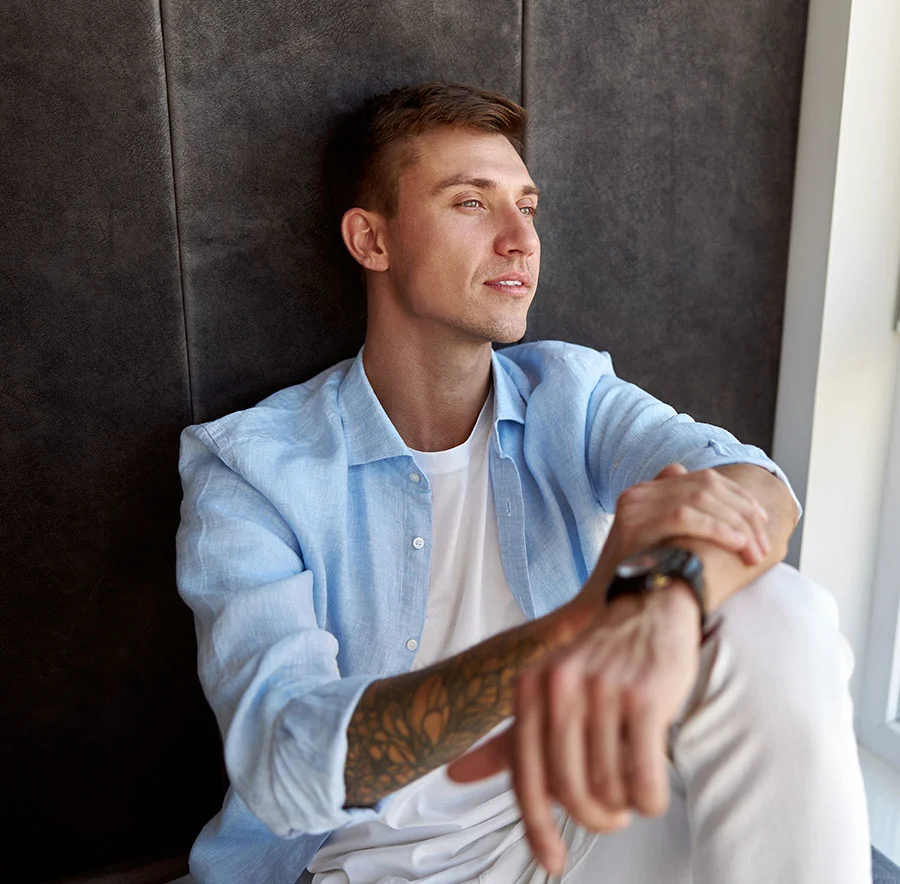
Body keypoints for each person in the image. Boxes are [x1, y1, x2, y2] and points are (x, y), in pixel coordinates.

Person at [176, 82, 871, 884]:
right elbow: (285, 760)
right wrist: (578, 628)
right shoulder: (252, 468)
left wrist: (668, 598)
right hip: (356, 868)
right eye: (471, 204)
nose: (520, 240)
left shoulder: (569, 395)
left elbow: (759, 488)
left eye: (528, 206)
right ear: (372, 240)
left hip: (582, 834)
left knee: (779, 611)